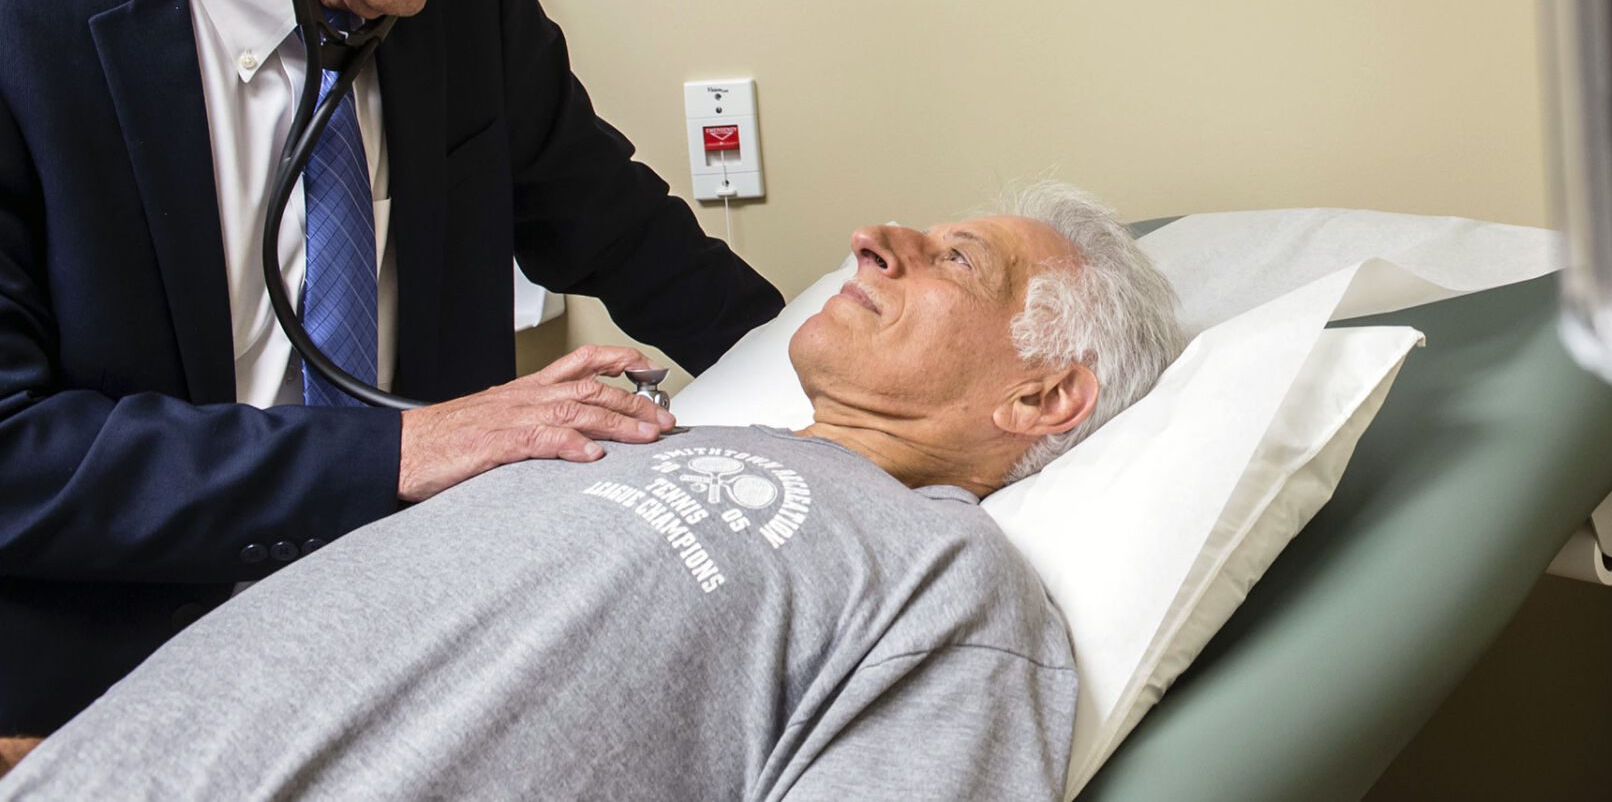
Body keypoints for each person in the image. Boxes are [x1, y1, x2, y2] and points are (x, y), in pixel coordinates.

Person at [0, 0, 785, 733]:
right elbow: (14, 453)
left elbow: (622, 226)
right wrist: (405, 448)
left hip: (432, 657)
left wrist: (832, 387)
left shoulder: (469, 2)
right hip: (114, 707)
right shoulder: (25, 20)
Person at [0, 183, 1183, 801]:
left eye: (954, 258)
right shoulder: (611, 430)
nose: (876, 239)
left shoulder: (947, 581)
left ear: (1041, 400)